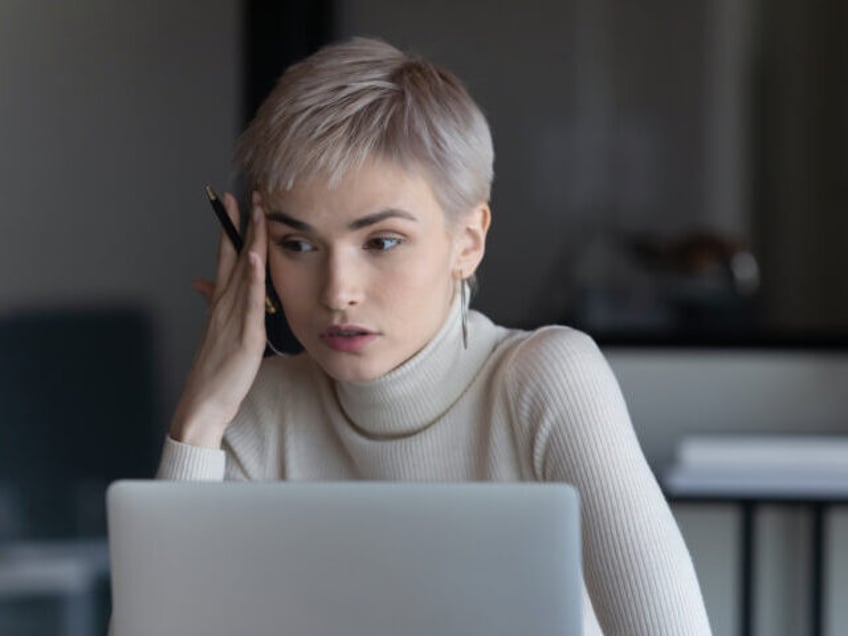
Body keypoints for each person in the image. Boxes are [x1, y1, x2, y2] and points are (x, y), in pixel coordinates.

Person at [158, 37, 712, 635]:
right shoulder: (259, 411)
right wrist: (203, 412)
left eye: (382, 242)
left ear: (467, 242)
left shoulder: (545, 380)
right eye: (298, 244)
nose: (337, 291)